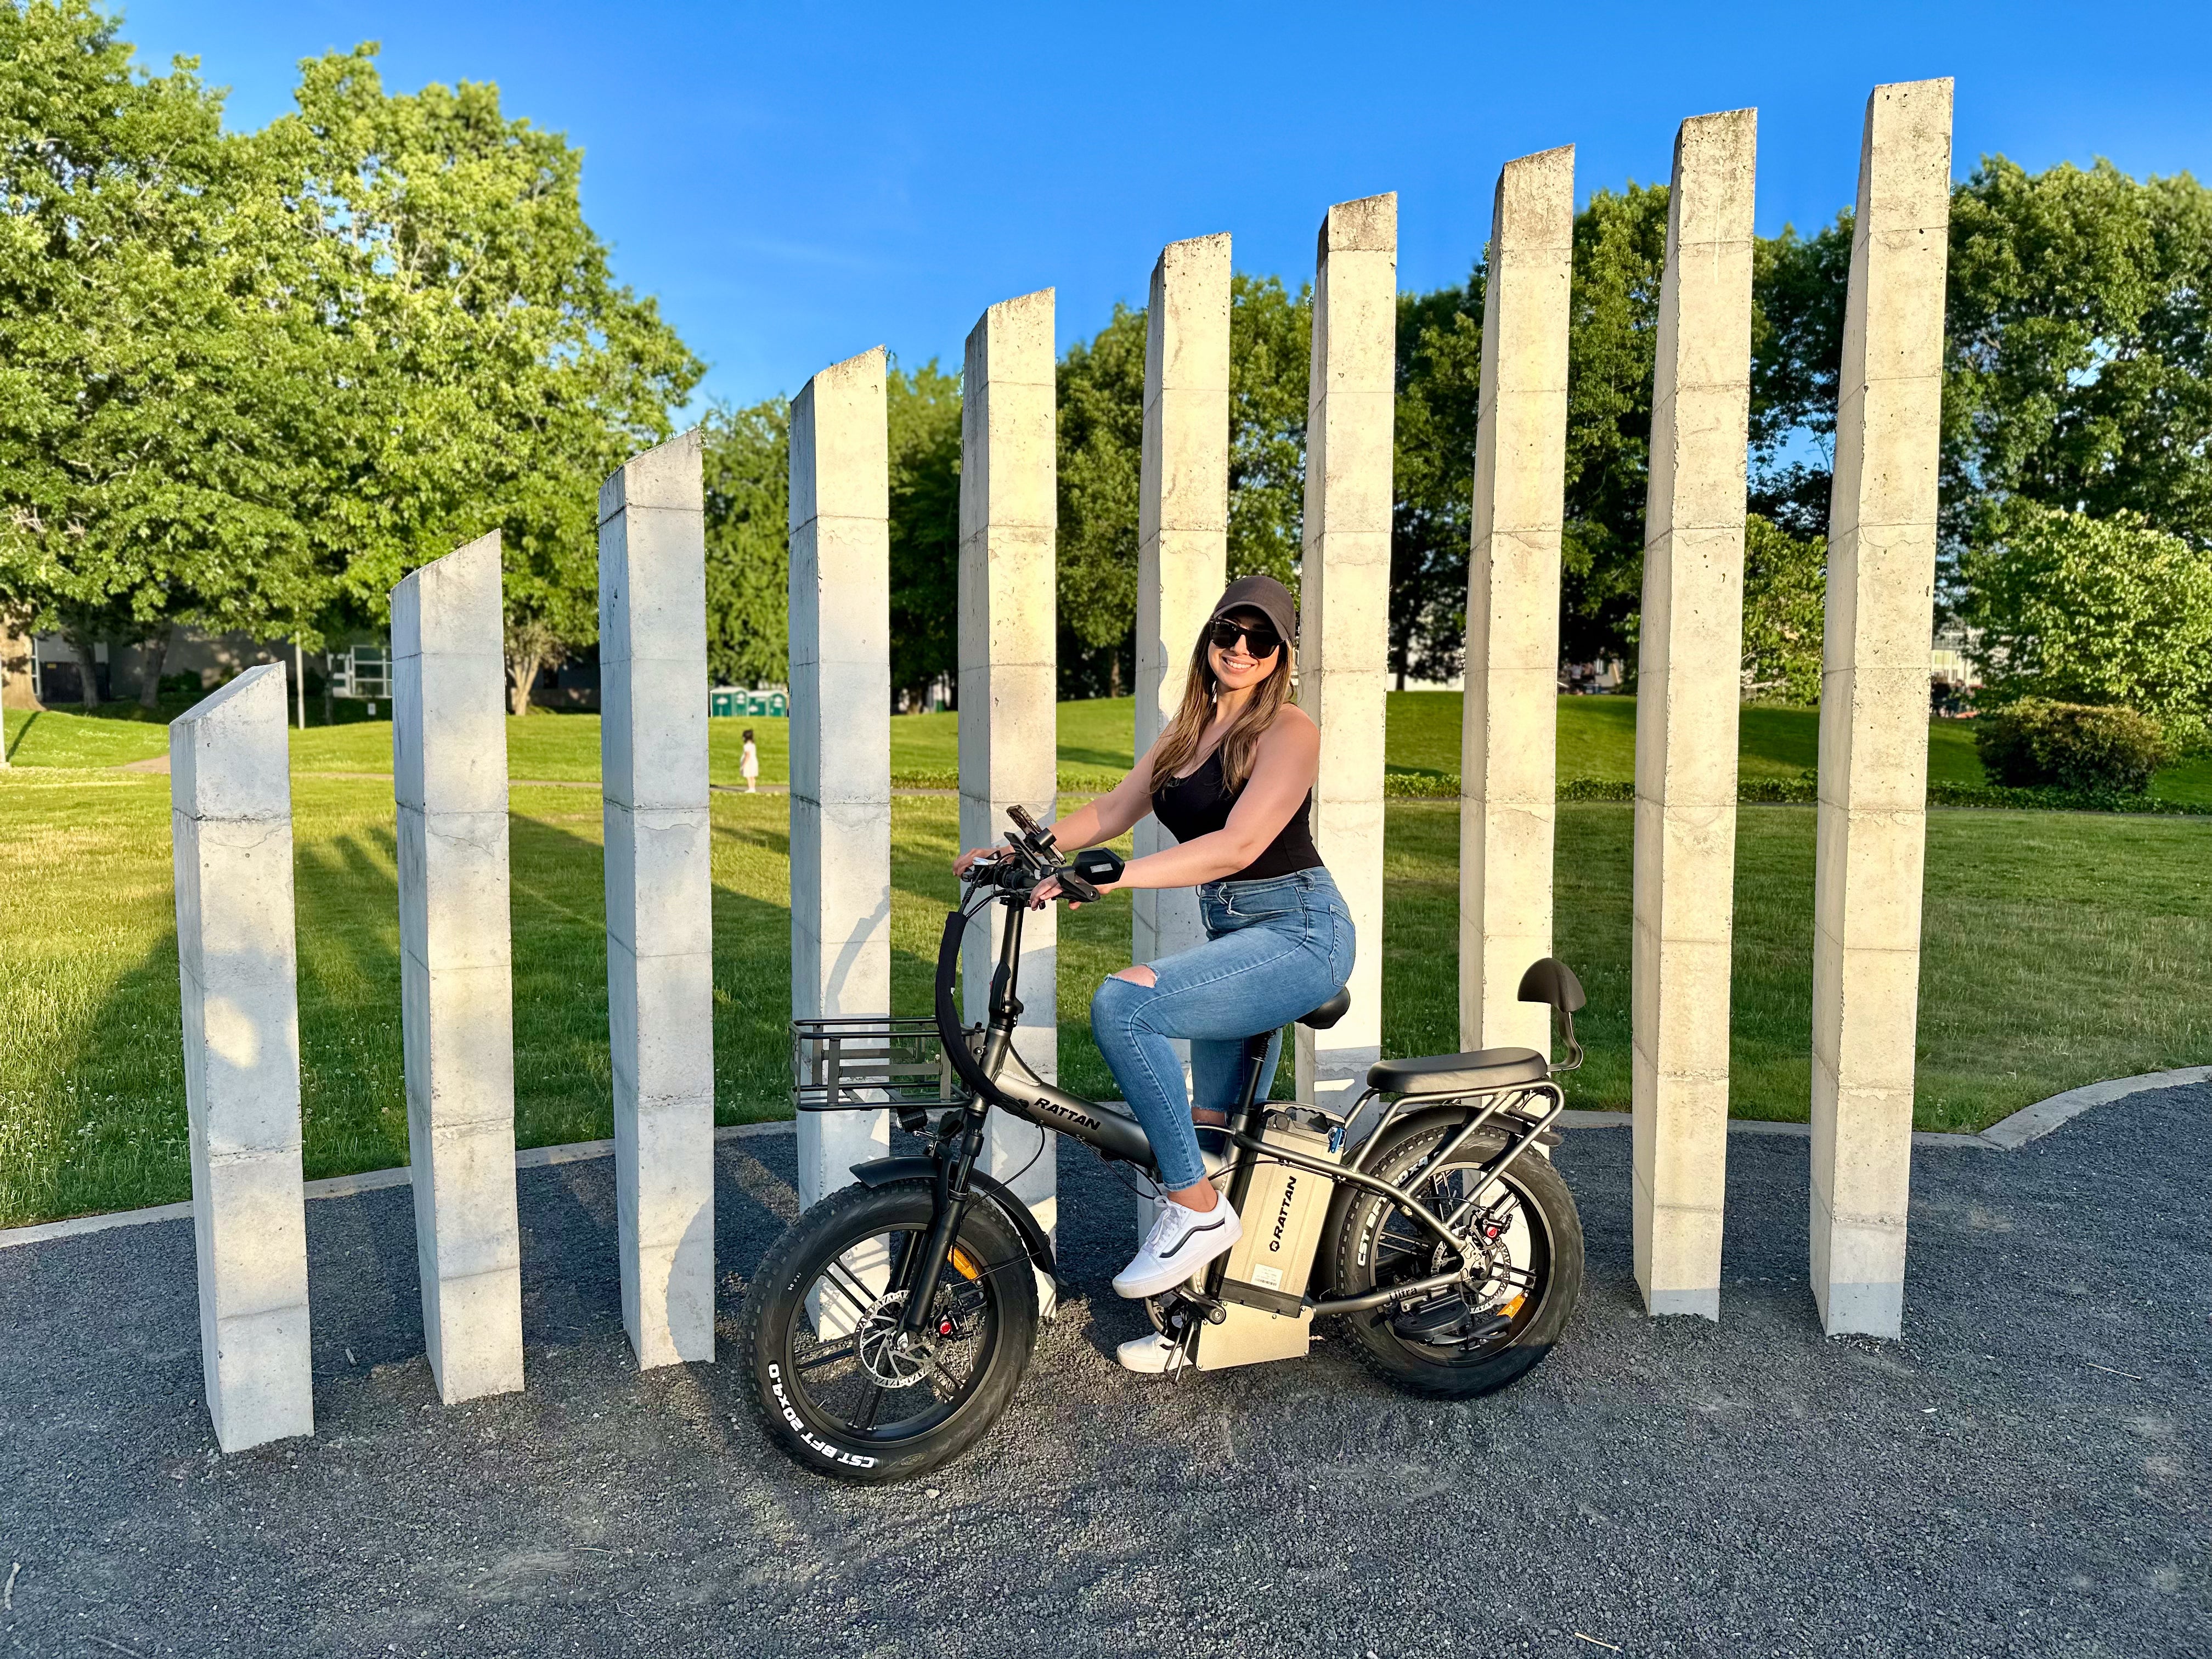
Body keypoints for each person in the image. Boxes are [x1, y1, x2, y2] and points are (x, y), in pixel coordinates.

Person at [951, 575, 1353, 1374]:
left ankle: (1196, 1215)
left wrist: (1111, 878)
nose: (1240, 649)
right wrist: (1026, 853)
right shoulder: (1188, 732)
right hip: (1236, 934)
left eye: (1259, 639)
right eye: (1227, 634)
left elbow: (1240, 847)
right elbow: (1113, 808)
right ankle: (1196, 1325)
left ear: (1281, 656)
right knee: (1208, 1139)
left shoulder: (1291, 730)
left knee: (1123, 1004)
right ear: (1210, 640)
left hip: (1300, 930)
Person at [740, 727, 760, 794]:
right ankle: (753, 788)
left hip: (749, 763)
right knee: (753, 776)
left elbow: (747, 756)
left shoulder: (746, 746)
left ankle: (750, 788)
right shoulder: (753, 745)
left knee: (748, 776)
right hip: (754, 762)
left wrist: (743, 765)